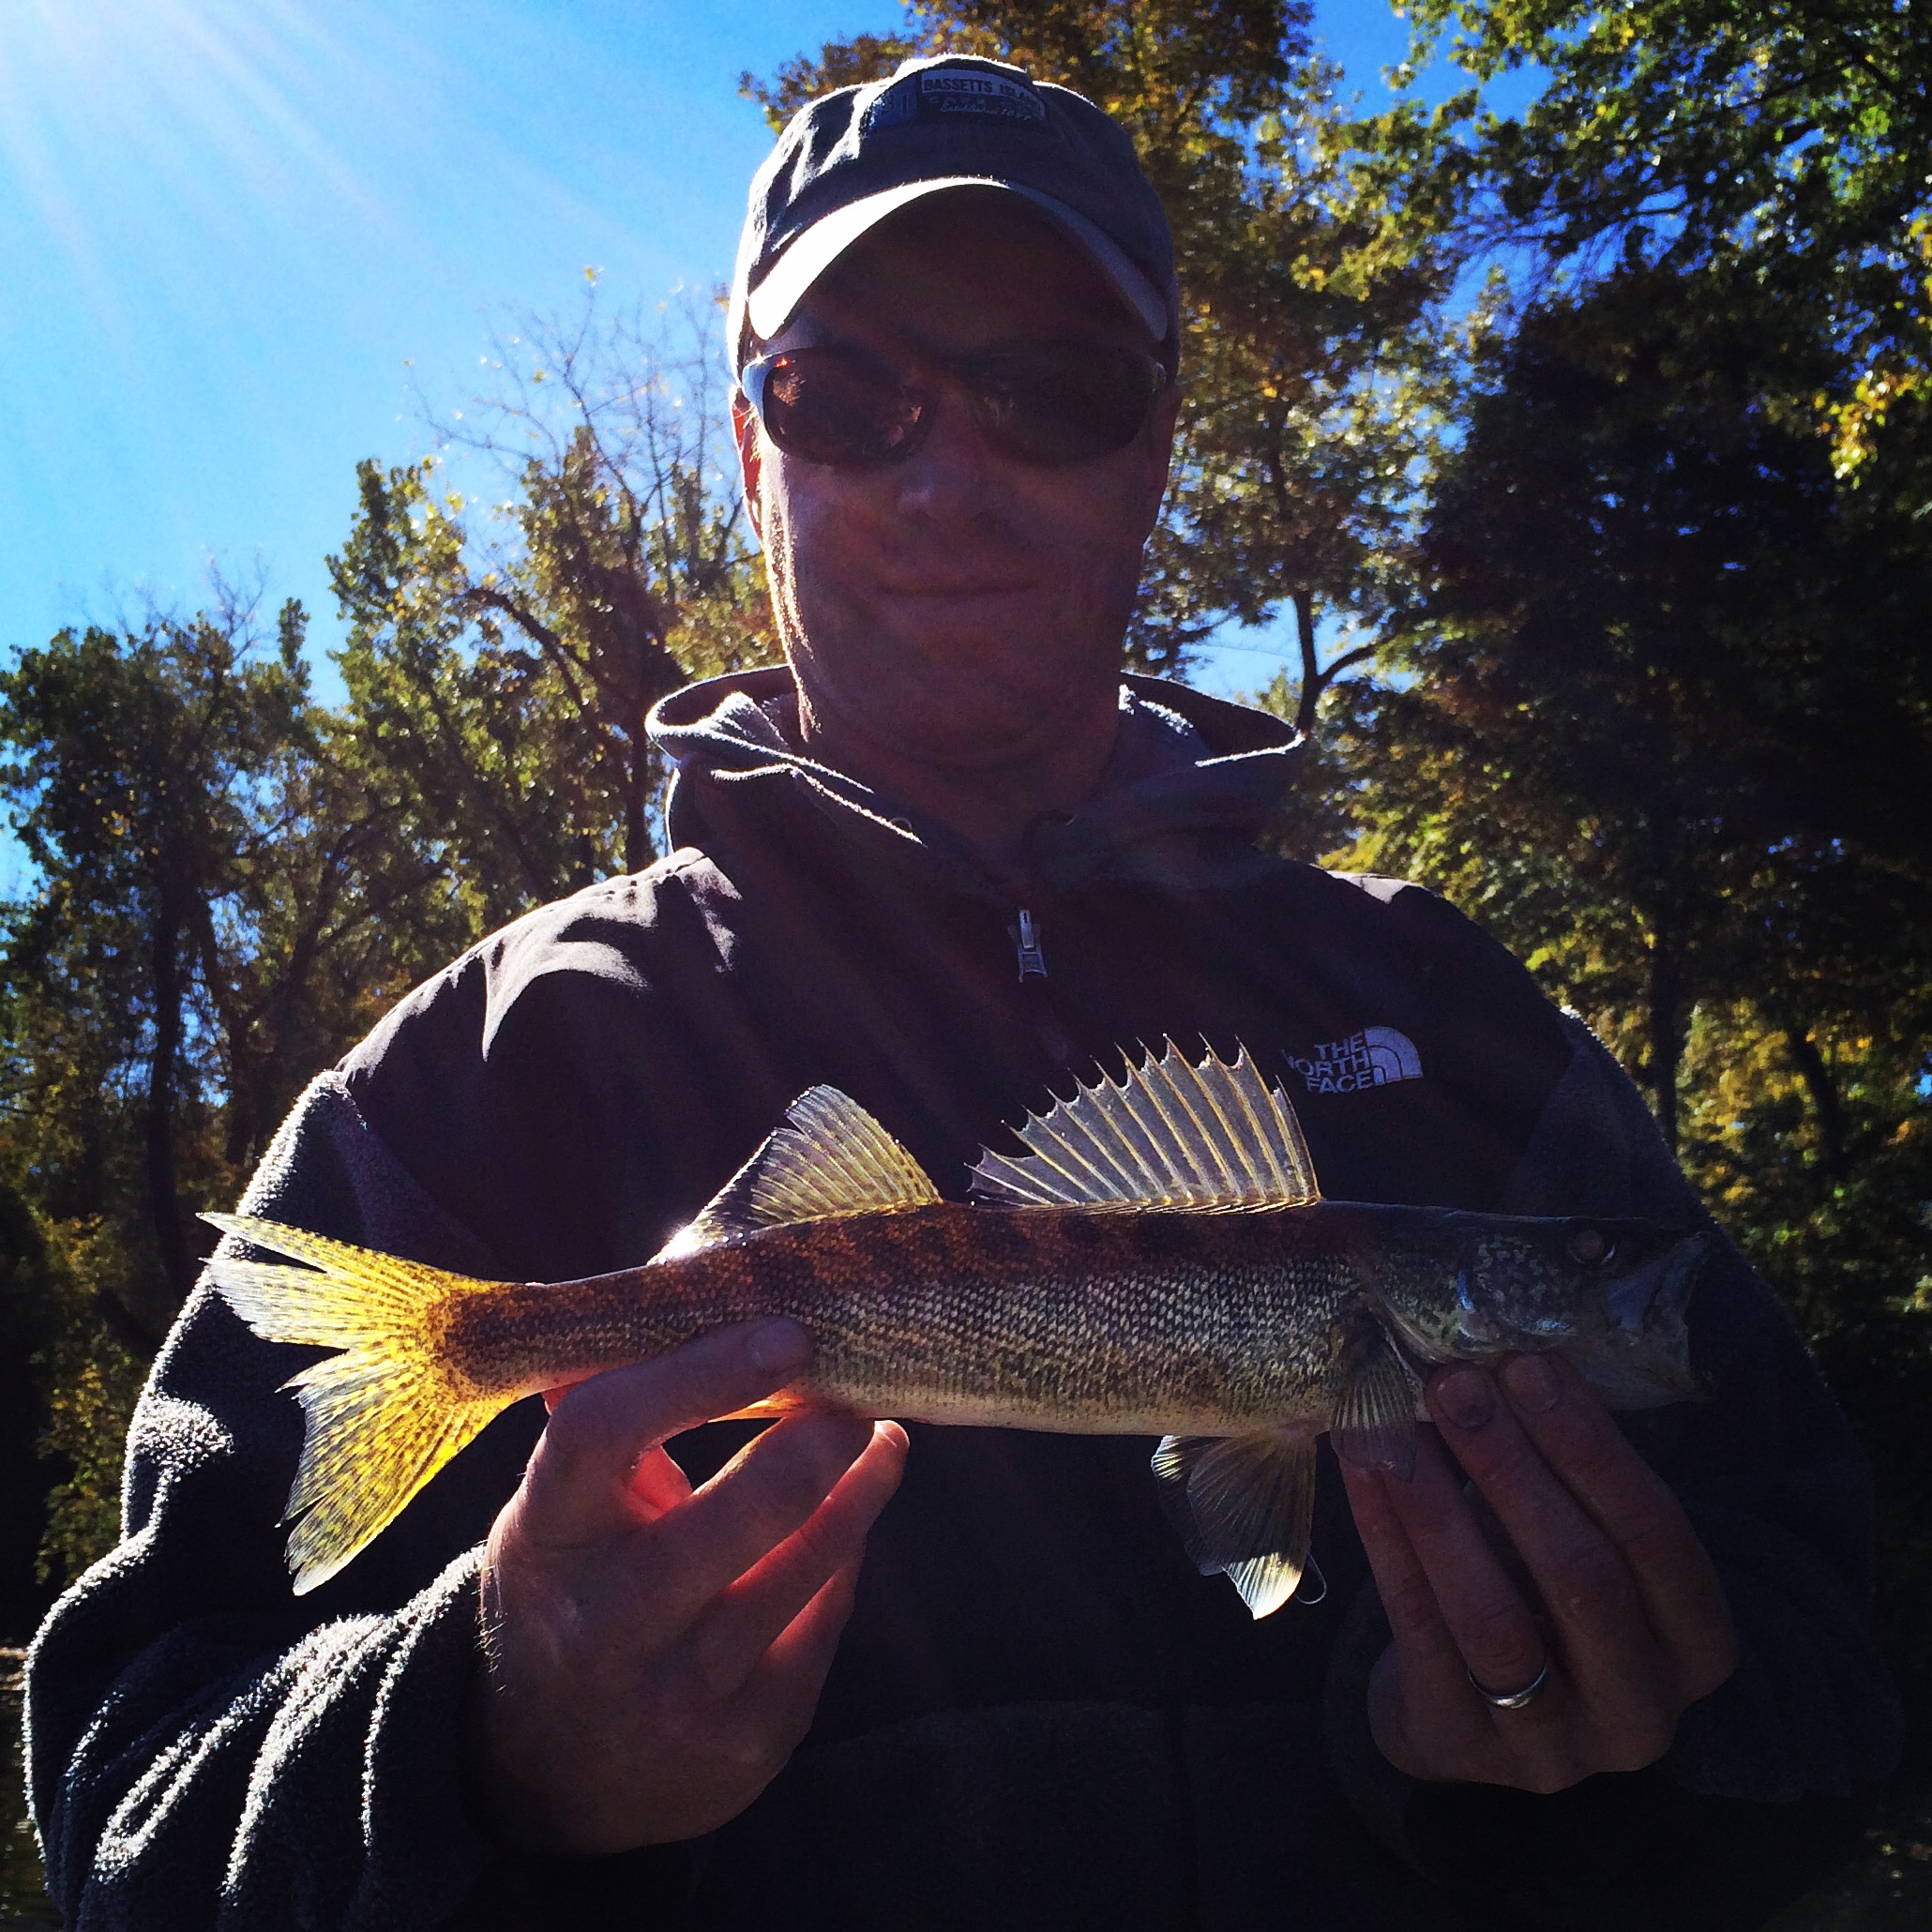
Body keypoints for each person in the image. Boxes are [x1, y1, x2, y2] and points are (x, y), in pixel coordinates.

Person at [26, 53, 1900, 1932]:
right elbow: (130, 1811)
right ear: (753, 449)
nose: (947, 474)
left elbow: (1846, 1665)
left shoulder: (1454, 1015)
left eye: (1053, 388)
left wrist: (1629, 1759)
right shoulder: (477, 1074)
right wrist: (473, 1740)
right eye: (848, 395)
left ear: (1154, 444)